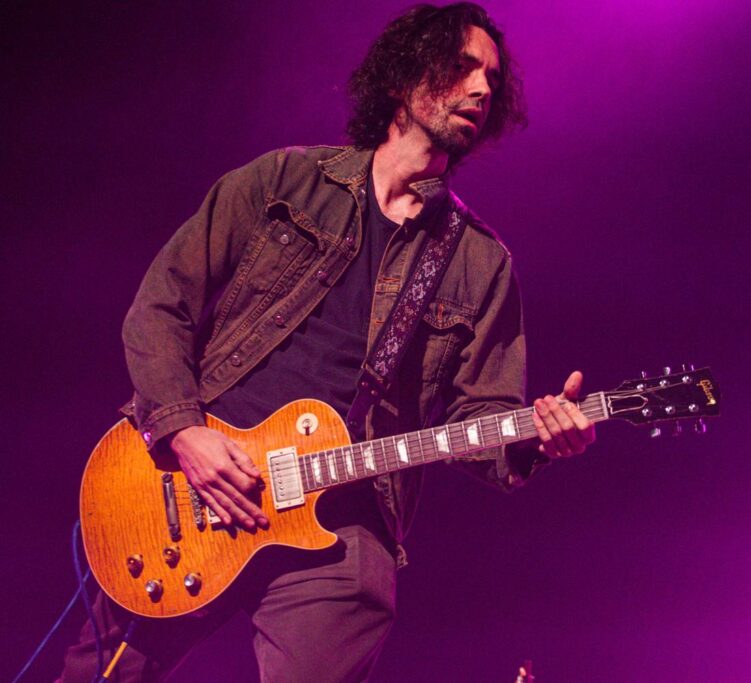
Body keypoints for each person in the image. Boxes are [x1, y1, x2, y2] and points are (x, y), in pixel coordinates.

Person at [58, 3, 594, 682]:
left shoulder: (480, 263)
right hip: (194, 484)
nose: (482, 88)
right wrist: (184, 431)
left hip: (343, 522)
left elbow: (478, 417)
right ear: (403, 77)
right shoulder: (285, 181)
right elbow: (161, 305)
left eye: (492, 77)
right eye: (463, 67)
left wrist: (535, 438)